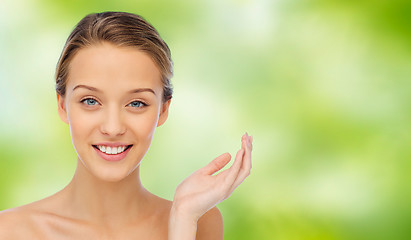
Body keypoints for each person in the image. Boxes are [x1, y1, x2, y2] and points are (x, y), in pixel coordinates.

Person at [0, 11, 253, 239]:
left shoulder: (199, 221)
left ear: (163, 109)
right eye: (90, 100)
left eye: (136, 103)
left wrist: (182, 221)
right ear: (62, 105)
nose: (112, 128)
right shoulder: (10, 230)